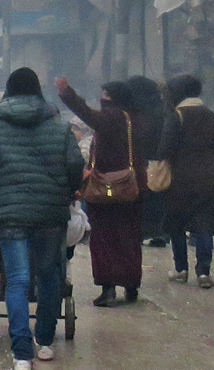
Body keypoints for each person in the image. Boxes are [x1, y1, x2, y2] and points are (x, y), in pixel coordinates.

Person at [0, 67, 85, 370]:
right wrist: (68, 191)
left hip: (11, 214)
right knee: (48, 277)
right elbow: (75, 164)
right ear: (37, 91)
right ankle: (44, 342)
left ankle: (21, 356)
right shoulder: (60, 126)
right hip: (49, 213)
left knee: (16, 280)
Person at [56, 76, 146, 307]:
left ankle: (108, 288)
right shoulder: (134, 119)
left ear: (114, 98)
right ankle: (131, 284)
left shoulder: (110, 117)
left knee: (105, 239)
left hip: (105, 189)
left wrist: (68, 93)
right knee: (128, 237)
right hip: (130, 189)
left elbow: (86, 113)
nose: (102, 98)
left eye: (106, 95)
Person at [159, 75, 214, 289]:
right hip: (209, 181)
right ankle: (204, 272)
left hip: (181, 183)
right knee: (204, 227)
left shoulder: (176, 116)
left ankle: (181, 269)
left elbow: (164, 150)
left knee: (176, 225)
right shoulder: (210, 115)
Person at [128, 75, 170, 247]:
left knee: (144, 198)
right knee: (159, 198)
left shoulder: (138, 112)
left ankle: (145, 232)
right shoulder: (164, 109)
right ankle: (160, 232)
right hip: (161, 163)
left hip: (144, 162)